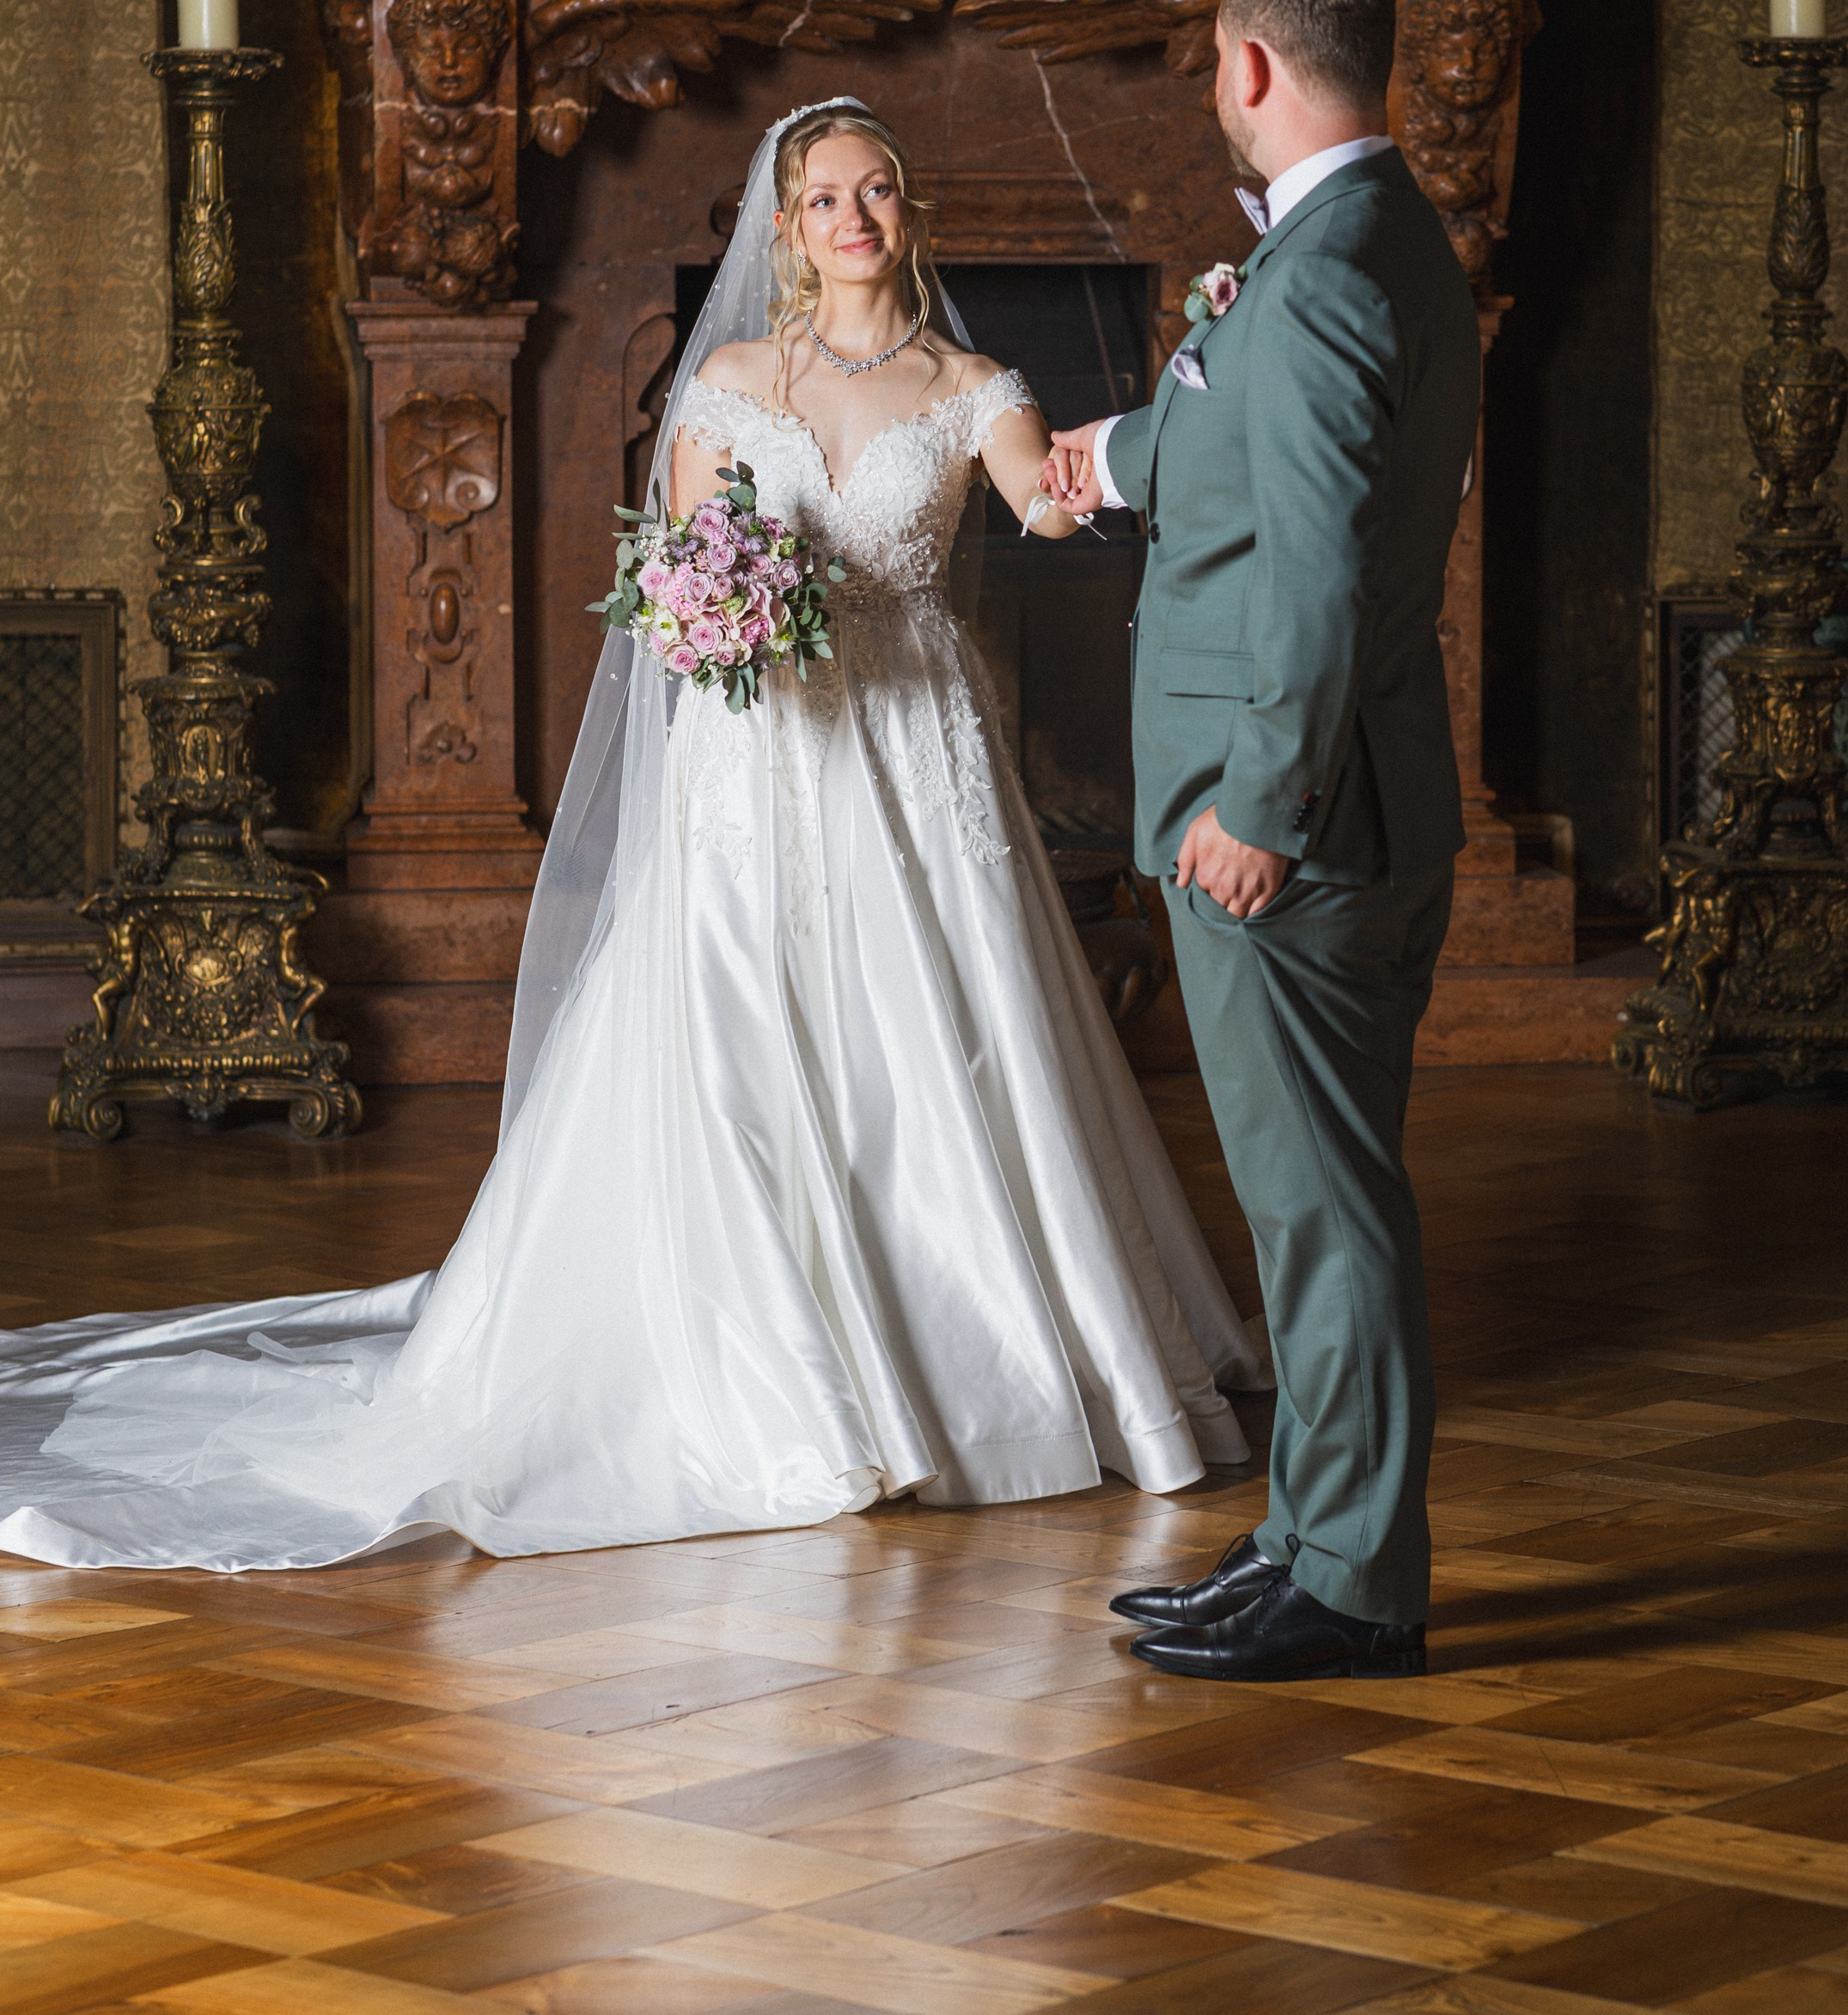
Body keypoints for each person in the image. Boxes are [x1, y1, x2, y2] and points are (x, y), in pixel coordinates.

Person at [0, 95, 1262, 1572]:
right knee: (736, 1039)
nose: (856, 219)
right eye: (826, 199)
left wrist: (1201, 377)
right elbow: (686, 577)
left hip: (913, 758)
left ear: (908, 213)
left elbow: (1052, 509)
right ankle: (774, 1369)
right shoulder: (727, 381)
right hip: (758, 759)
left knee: (940, 1046)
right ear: (785, 229)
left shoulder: (975, 383)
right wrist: (714, 604)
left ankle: (974, 1362)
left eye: (879, 193)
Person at [1045, 0, 1482, 1682]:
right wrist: (1116, 453)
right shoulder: (1354, 246)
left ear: (1244, 68)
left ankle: (1355, 1583)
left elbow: (1316, 578)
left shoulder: (1325, 278)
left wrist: (1261, 805)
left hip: (1287, 828)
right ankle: (1310, 1534)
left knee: (1318, 1207)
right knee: (1311, 1196)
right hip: (1329, 804)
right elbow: (1261, 443)